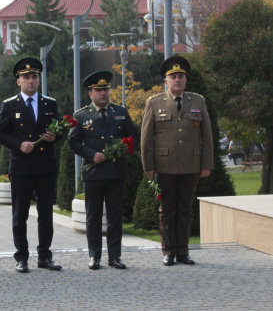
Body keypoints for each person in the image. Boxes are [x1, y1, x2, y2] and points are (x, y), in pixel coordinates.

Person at [141, 56, 213, 266]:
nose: (177, 80)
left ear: (186, 80)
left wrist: (206, 164)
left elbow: (206, 136)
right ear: (166, 81)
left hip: (191, 164)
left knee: (185, 209)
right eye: (173, 77)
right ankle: (168, 251)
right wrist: (149, 166)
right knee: (166, 210)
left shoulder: (198, 101)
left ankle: (183, 251)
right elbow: (146, 139)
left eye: (181, 76)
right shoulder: (154, 103)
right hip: (165, 166)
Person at [0, 57, 61, 273]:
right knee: (19, 215)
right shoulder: (9, 104)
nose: (31, 80)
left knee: (46, 214)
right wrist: (18, 144)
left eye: (34, 77)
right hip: (22, 167)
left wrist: (54, 137)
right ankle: (21, 257)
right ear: (18, 81)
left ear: (38, 80)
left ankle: (45, 255)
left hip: (45, 166)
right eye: (26, 77)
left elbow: (59, 130)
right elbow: (0, 134)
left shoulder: (50, 103)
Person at [68, 70, 139, 270]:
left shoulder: (121, 112)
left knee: (115, 216)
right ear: (90, 93)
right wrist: (92, 155)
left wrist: (121, 149)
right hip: (93, 173)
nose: (103, 93)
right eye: (98, 90)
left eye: (106, 89)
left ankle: (115, 256)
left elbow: (133, 138)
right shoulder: (81, 115)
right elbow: (73, 143)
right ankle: (94, 256)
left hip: (116, 172)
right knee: (93, 216)